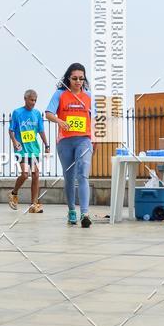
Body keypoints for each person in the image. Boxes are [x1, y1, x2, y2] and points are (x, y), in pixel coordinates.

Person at [45, 63, 94, 228]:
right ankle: (72, 210)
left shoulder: (89, 96)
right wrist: (59, 121)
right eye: (74, 78)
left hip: (84, 140)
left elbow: (96, 119)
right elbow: (49, 113)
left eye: (81, 78)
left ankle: (85, 213)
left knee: (83, 174)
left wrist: (97, 139)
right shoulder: (60, 94)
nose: (78, 81)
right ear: (68, 78)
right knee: (69, 178)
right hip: (65, 141)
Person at [8, 90, 50, 213]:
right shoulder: (17, 113)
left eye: (35, 100)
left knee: (36, 175)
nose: (33, 102)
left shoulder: (37, 114)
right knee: (25, 174)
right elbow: (11, 130)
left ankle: (34, 205)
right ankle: (13, 193)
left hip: (34, 150)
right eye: (31, 100)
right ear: (25, 99)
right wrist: (14, 141)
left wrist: (47, 145)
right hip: (21, 149)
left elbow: (41, 131)